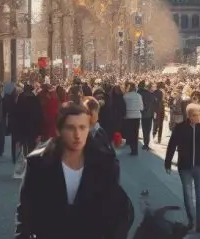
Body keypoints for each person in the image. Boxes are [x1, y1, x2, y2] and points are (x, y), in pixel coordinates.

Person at [15, 102, 133, 239]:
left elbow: (116, 212)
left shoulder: (105, 164)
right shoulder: (38, 164)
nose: (77, 135)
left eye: (82, 127)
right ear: (59, 131)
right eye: (71, 128)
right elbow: (25, 211)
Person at [165, 102, 200, 233]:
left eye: (199, 114)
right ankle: (191, 220)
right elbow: (172, 145)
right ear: (189, 116)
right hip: (184, 166)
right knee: (187, 195)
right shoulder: (180, 128)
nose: (198, 117)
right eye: (195, 115)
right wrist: (167, 163)